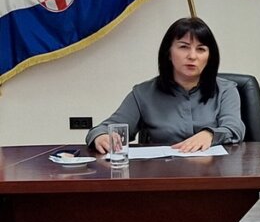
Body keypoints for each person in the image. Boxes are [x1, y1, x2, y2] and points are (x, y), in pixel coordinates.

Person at [87, 17, 244, 154]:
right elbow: (106, 128)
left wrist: (209, 134)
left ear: (210, 56)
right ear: (168, 53)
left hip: (215, 176)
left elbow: (234, 127)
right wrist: (101, 136)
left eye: (201, 49)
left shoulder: (226, 90)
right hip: (162, 177)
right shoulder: (143, 93)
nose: (192, 56)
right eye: (184, 47)